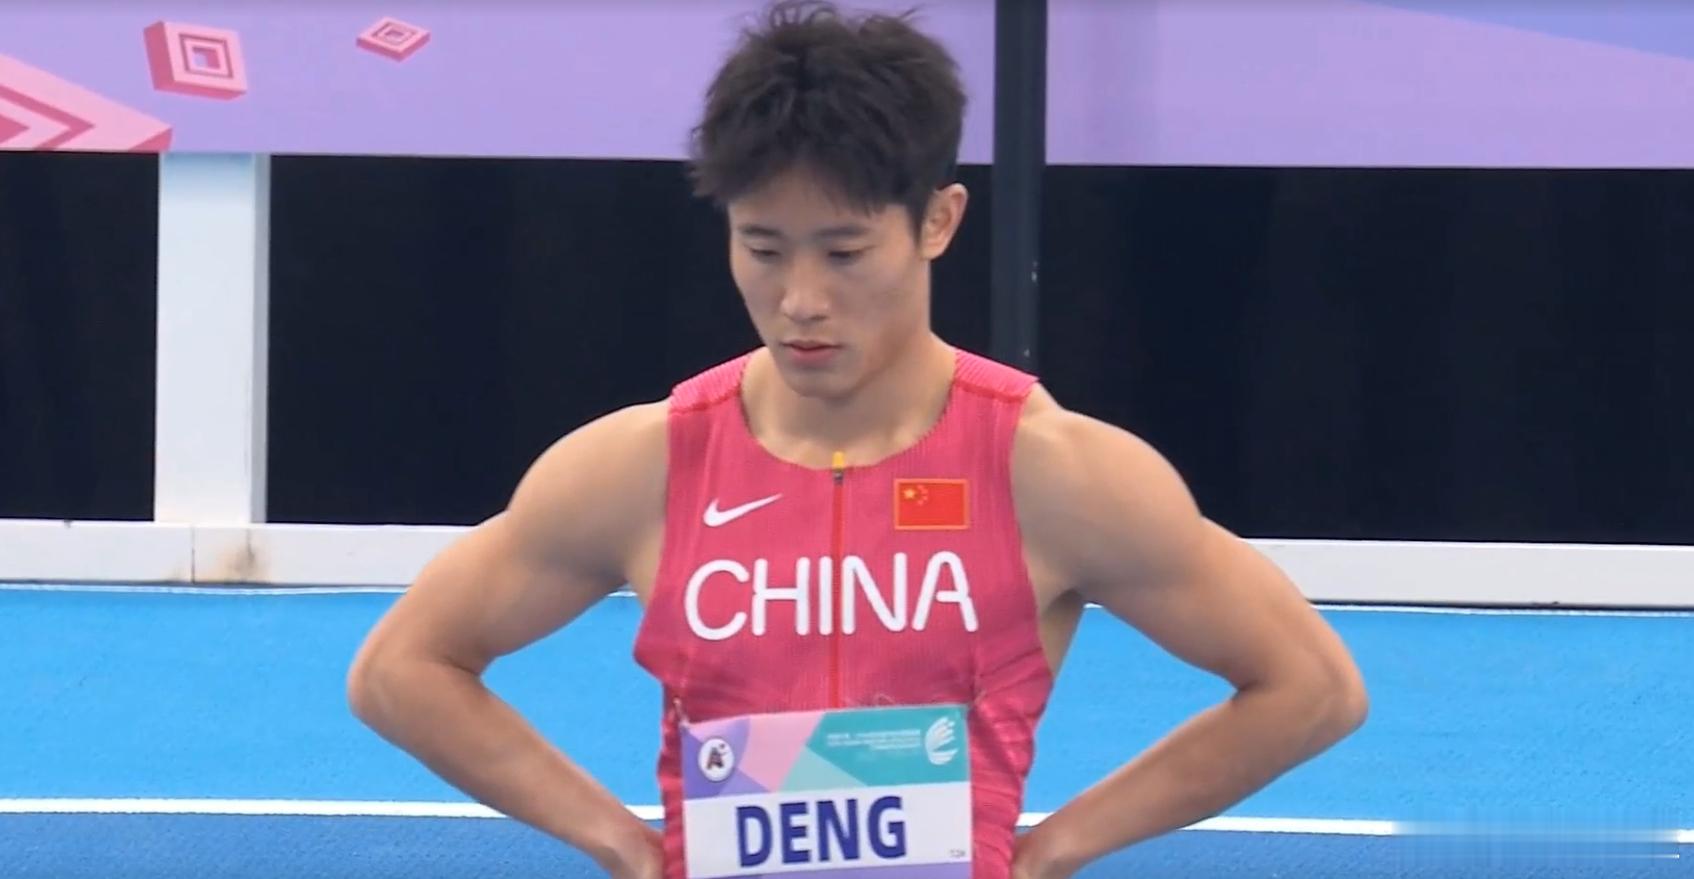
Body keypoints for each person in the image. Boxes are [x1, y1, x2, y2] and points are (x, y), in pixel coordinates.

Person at [345, 2, 1369, 877]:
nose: (799, 299)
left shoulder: (1051, 472)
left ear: (937, 222)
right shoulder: (639, 467)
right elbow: (401, 669)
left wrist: (1051, 849)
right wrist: (622, 845)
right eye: (762, 248)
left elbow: (1311, 688)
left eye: (843, 252)